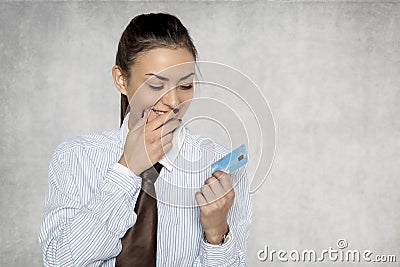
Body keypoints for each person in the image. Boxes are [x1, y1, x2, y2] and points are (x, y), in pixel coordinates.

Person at [39, 13, 252, 266]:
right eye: (155, 84)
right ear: (121, 80)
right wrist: (126, 169)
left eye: (185, 86)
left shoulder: (218, 165)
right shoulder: (75, 158)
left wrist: (217, 234)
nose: (174, 103)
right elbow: (60, 261)